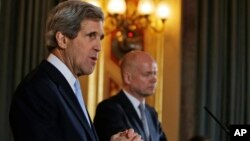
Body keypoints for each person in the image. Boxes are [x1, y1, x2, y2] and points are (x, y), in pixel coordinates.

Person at [9, 1, 142, 141]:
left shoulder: (69, 87)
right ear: (62, 40)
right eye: (91, 36)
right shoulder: (37, 90)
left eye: (100, 38)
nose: (99, 47)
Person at [94, 50, 167, 141]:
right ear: (128, 78)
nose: (154, 79)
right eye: (147, 74)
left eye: (155, 73)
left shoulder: (151, 113)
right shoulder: (108, 109)